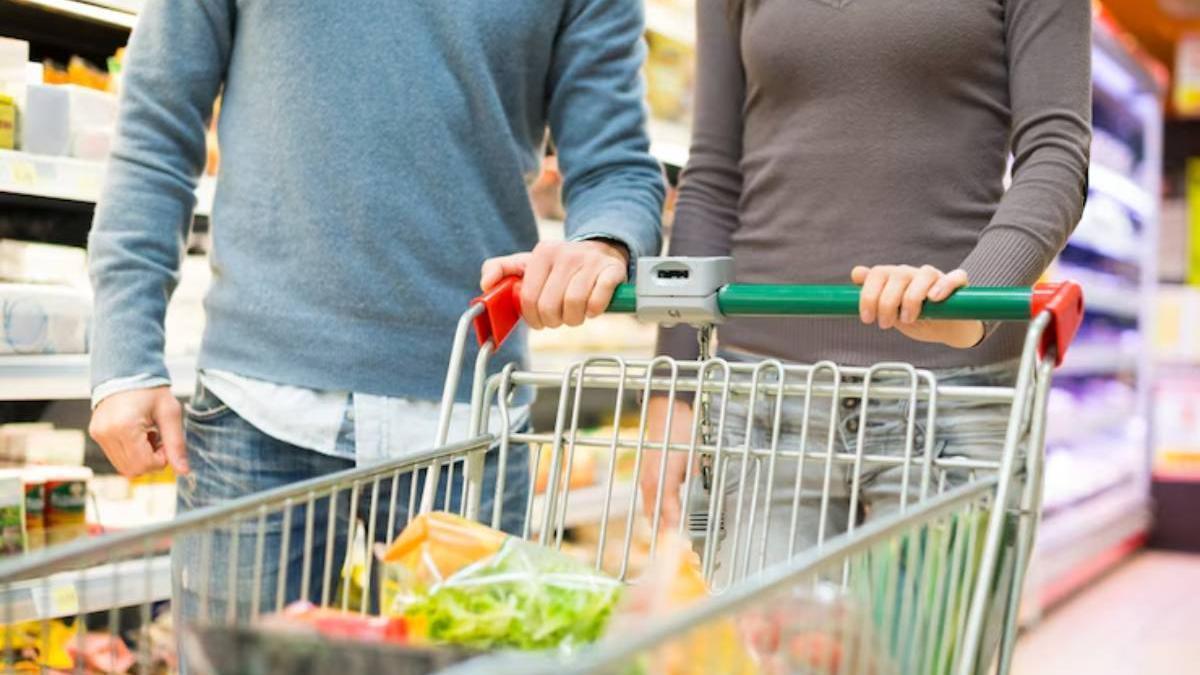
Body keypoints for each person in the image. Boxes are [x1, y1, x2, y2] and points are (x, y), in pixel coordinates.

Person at [86, 0, 663, 620]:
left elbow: (617, 166)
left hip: (466, 426)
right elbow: (155, 135)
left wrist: (602, 242)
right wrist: (123, 356)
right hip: (254, 415)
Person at [641, 0, 1091, 577]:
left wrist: (972, 295)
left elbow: (1056, 153)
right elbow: (712, 175)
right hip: (758, 399)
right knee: (754, 662)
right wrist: (673, 389)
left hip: (949, 404)